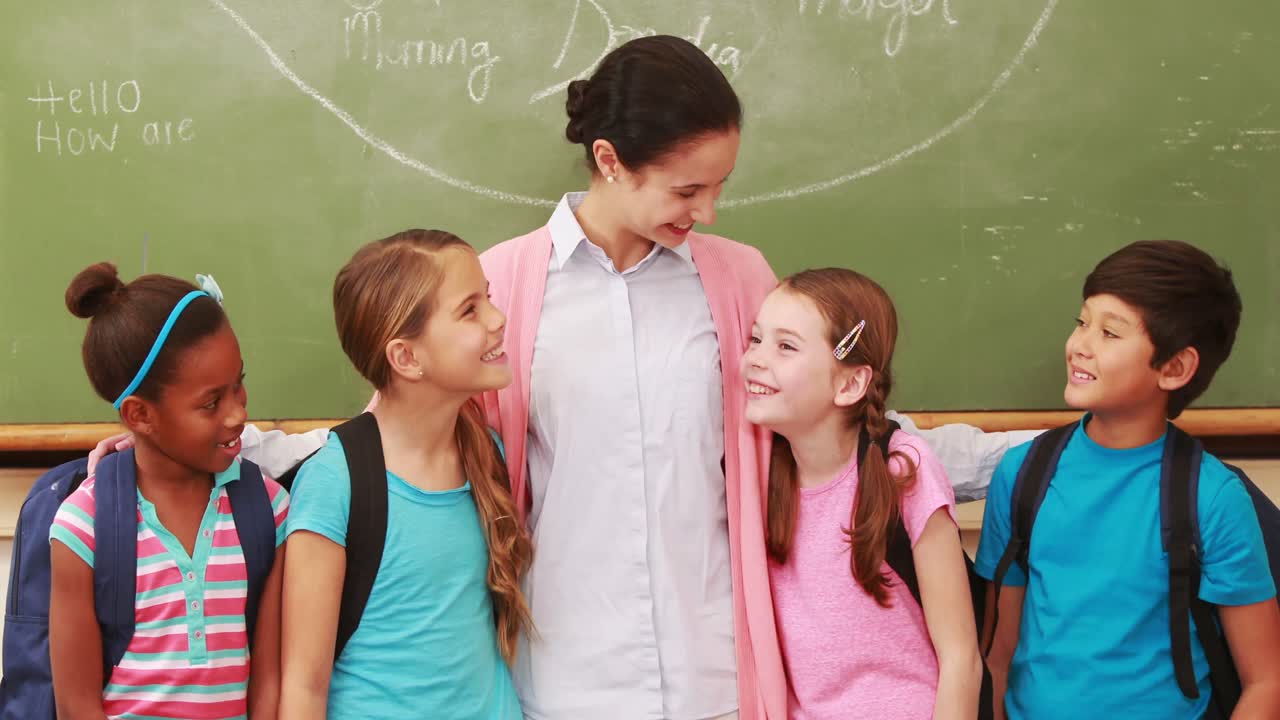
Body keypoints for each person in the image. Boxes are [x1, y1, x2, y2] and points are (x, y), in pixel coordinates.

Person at [976, 240, 1280, 719]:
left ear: (1175, 368)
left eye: (1110, 334)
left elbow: (1264, 681)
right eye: (1082, 322)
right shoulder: (1023, 474)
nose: (1080, 344)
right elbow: (995, 657)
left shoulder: (1214, 497)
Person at [278, 230, 532, 719]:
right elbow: (304, 682)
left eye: (490, 300)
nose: (498, 320)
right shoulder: (336, 481)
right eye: (470, 310)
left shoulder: (489, 455)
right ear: (406, 358)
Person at [51, 264, 287, 720]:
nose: (238, 413)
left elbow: (268, 683)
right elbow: (76, 705)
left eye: (239, 383)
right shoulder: (82, 529)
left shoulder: (269, 512)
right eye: (211, 402)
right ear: (140, 415)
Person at [745, 268, 981, 719]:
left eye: (786, 346)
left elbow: (961, 658)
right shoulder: (757, 473)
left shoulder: (901, 469)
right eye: (756, 339)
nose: (756, 358)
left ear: (850, 383)